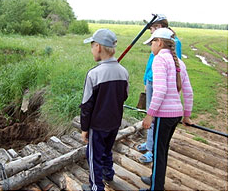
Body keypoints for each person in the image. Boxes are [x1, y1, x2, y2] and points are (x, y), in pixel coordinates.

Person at [141, 28, 193, 191]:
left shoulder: (159, 60)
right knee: (161, 150)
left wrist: (150, 115)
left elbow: (161, 90)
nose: (151, 47)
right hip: (175, 114)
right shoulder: (179, 62)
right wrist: (186, 116)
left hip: (164, 115)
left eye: (152, 43)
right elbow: (188, 92)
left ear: (160, 43)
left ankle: (157, 188)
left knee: (159, 152)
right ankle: (154, 179)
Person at [80, 29, 129, 191]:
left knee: (93, 156)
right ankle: (108, 174)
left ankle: (96, 186)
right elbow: (124, 96)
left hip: (98, 125)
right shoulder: (123, 72)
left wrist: (84, 128)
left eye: (92, 46)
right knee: (107, 150)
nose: (92, 49)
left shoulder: (94, 74)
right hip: (114, 122)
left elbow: (86, 105)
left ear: (99, 47)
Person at [137, 14, 182, 164]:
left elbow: (177, 66)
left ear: (162, 26)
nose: (152, 31)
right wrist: (146, 79)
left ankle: (152, 151)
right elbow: (151, 62)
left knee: (154, 116)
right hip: (151, 81)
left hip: (160, 84)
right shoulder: (156, 43)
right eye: (151, 28)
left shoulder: (173, 42)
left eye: (155, 27)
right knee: (150, 113)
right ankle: (149, 144)